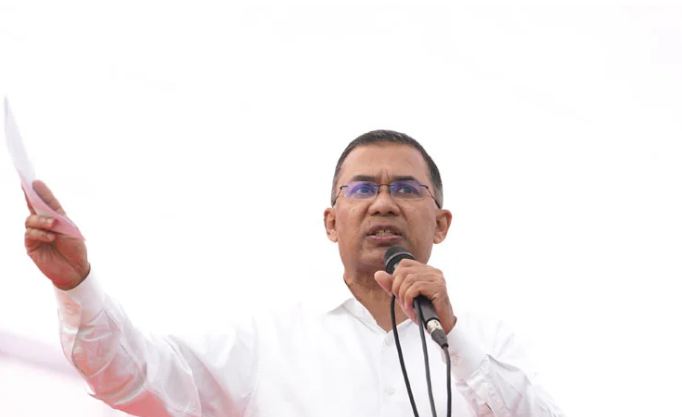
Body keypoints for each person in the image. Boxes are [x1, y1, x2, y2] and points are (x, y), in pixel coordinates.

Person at [23, 130, 564, 417]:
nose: (383, 203)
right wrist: (77, 285)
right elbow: (136, 378)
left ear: (441, 223)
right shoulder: (270, 341)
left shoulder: (486, 343)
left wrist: (455, 337)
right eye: (361, 189)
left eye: (405, 188)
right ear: (332, 222)